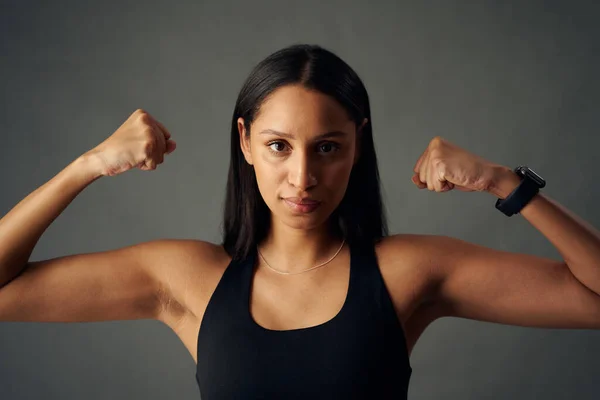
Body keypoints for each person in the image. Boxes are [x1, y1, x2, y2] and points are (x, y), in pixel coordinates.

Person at [1, 43, 599, 399]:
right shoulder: (187, 280)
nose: (303, 178)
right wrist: (88, 165)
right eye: (280, 146)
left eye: (328, 147)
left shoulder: (406, 273)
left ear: (358, 145)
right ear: (245, 142)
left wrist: (506, 184)